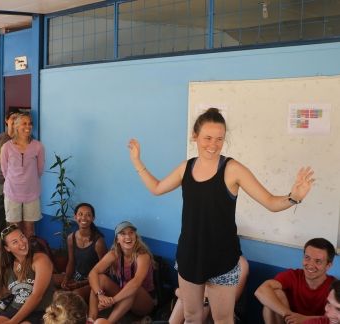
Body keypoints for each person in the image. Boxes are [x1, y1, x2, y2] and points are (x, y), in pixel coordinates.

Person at [128, 107, 315, 323]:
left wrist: (294, 197)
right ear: (195, 136)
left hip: (223, 260)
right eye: (207, 137)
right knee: (191, 317)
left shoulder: (232, 168)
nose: (213, 145)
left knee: (223, 319)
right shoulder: (185, 168)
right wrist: (137, 161)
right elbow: (157, 188)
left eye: (219, 139)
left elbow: (271, 202)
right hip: (190, 256)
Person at [255, 238, 336, 324]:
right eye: (307, 258)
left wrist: (304, 319)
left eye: (318, 261)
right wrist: (289, 315)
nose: (311, 265)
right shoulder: (293, 275)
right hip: (289, 321)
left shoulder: (335, 287)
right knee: (275, 294)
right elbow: (260, 291)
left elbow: (336, 319)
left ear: (328, 265)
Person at [88, 221, 155, 323]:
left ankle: (108, 322)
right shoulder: (114, 254)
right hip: (122, 298)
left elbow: (136, 282)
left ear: (135, 237)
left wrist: (112, 301)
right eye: (123, 233)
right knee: (99, 278)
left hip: (143, 302)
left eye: (131, 233)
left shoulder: (143, 256)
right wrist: (100, 295)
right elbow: (93, 273)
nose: (128, 236)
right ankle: (91, 319)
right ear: (117, 239)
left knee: (133, 288)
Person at [0, 223, 55, 324]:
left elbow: (36, 296)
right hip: (16, 308)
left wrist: (12, 322)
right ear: (7, 248)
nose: (22, 243)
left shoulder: (41, 260)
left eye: (22, 237)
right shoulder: (7, 267)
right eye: (15, 242)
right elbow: (14, 292)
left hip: (41, 311)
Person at [0, 113, 45, 238]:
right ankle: (16, 257)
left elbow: (39, 170)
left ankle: (29, 256)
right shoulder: (6, 147)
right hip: (12, 193)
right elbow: (5, 170)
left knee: (30, 230)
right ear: (16, 126)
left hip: (32, 193)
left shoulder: (38, 146)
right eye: (24, 123)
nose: (28, 126)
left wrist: (29, 180)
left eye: (30, 123)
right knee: (14, 229)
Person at [169, 255, 249, 324]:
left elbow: (231, 300)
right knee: (190, 299)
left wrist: (204, 299)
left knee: (203, 300)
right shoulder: (198, 256)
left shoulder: (240, 262)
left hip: (225, 311)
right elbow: (184, 291)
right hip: (198, 303)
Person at [60, 202, 107, 301]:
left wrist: (81, 284)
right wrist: (66, 278)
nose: (84, 218)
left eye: (88, 215)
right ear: (75, 217)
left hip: (93, 280)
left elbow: (105, 271)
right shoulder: (71, 238)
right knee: (51, 279)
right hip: (77, 276)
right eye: (80, 214)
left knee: (75, 295)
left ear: (93, 218)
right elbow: (71, 261)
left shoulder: (98, 242)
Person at [0, 107, 20, 259]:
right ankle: (0, 248)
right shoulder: (1, 137)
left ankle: (12, 250)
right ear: (6, 120)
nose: (15, 121)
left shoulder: (22, 139)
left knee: (12, 218)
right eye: (13, 118)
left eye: (18, 118)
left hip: (14, 184)